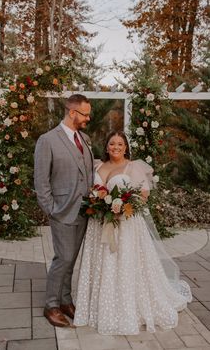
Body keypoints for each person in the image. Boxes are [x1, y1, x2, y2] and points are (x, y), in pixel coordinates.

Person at [74, 131, 192, 335]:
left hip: (125, 224)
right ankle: (99, 304)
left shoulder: (132, 167)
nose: (116, 147)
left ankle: (127, 307)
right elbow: (91, 191)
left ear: (126, 147)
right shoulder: (97, 165)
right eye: (112, 144)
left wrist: (122, 206)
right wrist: (98, 203)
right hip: (99, 223)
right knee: (102, 261)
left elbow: (143, 196)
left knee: (124, 261)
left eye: (120, 144)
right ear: (107, 146)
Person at [34, 94, 94, 328]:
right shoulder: (47, 140)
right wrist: (51, 210)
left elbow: (87, 172)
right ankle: (51, 305)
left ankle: (66, 300)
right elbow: (41, 181)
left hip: (84, 212)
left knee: (72, 259)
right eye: (85, 114)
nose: (88, 118)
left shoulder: (85, 139)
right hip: (62, 210)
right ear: (72, 113)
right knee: (63, 258)